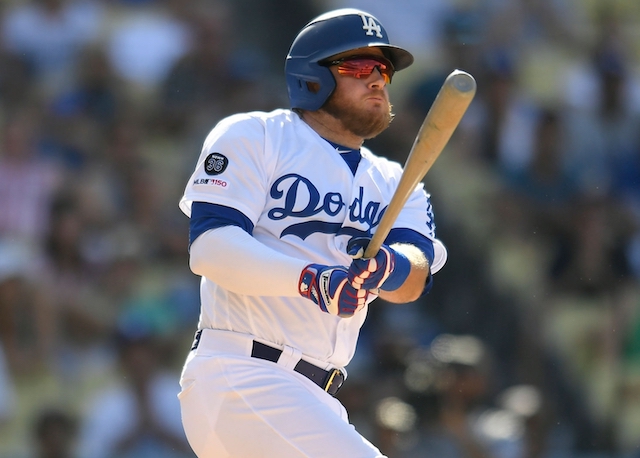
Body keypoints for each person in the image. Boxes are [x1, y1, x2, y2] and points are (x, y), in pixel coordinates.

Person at [177, 8, 447, 457]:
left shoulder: (398, 183)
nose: (377, 79)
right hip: (243, 372)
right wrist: (311, 279)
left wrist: (387, 266)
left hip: (315, 395)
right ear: (313, 76)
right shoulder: (256, 135)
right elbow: (210, 248)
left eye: (383, 69)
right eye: (358, 67)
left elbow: (415, 277)